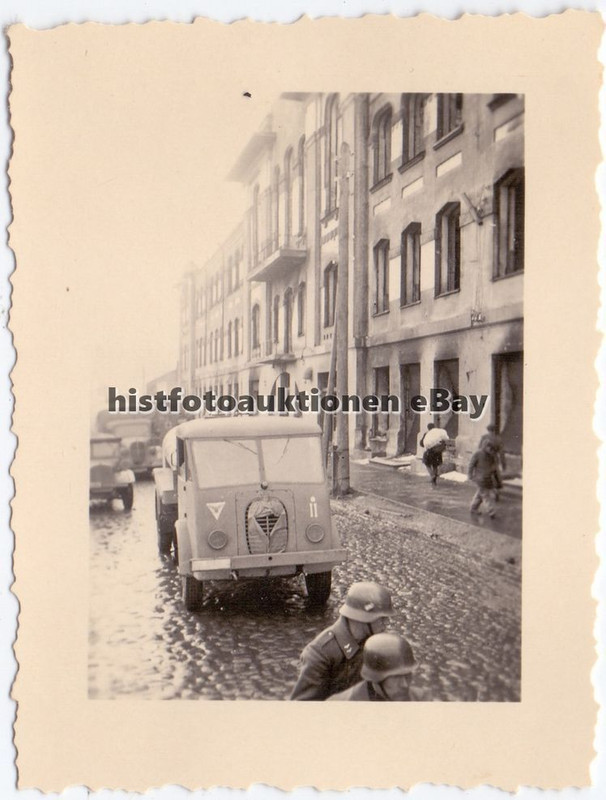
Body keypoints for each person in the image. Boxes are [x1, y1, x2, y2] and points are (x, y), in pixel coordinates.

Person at [290, 582, 394, 700]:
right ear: (363, 617)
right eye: (382, 618)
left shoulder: (375, 644)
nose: (386, 623)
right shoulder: (319, 653)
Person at [328, 632, 422, 701]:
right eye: (396, 677)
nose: (405, 684)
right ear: (376, 678)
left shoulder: (421, 698)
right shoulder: (340, 704)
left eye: (407, 674)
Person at [468, 438, 502, 518]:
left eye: (493, 450)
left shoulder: (492, 457)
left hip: (488, 479)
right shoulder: (478, 454)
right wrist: (470, 475)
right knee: (486, 496)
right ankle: (491, 511)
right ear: (486, 447)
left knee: (480, 495)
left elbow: (495, 470)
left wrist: (498, 482)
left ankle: (473, 508)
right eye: (491, 449)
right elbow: (471, 465)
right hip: (480, 479)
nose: (492, 451)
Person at [479, 424, 506, 499]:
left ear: (488, 430)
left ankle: (485, 492)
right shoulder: (498, 439)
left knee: (485, 475)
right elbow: (501, 453)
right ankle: (496, 491)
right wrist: (503, 464)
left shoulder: (484, 438)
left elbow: (479, 449)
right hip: (494, 459)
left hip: (485, 459)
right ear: (494, 430)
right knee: (496, 475)